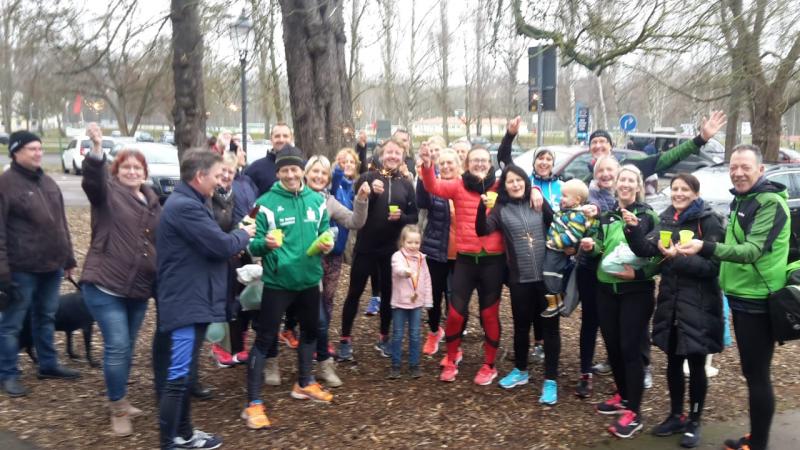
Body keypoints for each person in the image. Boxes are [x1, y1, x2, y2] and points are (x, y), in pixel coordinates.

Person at [573, 112, 727, 398]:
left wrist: (700, 139)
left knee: (632, 331)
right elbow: (568, 203)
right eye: (594, 144)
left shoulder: (643, 205)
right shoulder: (586, 184)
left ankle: (636, 371)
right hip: (597, 268)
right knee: (597, 322)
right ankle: (595, 371)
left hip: (635, 278)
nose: (599, 148)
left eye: (603, 144)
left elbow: (666, 159)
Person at [678, 145, 790, 450]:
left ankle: (759, 444)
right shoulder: (743, 199)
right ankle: (756, 437)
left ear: (760, 170)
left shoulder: (769, 203)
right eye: (733, 167)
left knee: (758, 375)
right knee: (752, 372)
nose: (738, 173)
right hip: (742, 297)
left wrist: (705, 247)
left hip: (758, 300)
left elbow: (751, 251)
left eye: (745, 168)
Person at [156, 150, 255, 450]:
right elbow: (219, 244)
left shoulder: (191, 202)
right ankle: (169, 443)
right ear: (200, 176)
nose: (220, 181)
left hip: (192, 297)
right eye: (215, 175)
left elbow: (210, 244)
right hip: (185, 301)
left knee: (184, 374)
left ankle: (184, 434)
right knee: (178, 376)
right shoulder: (186, 206)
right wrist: (244, 234)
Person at [624, 173, 724, 448]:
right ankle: (676, 415)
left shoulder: (709, 221)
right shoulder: (667, 217)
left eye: (684, 189)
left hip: (699, 305)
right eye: (675, 189)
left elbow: (713, 267)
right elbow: (646, 248)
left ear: (695, 193)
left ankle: (694, 421)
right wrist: (633, 229)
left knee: (696, 363)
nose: (678, 193)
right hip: (671, 302)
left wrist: (677, 258)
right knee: (672, 361)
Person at [242, 146, 335, 430]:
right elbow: (248, 240)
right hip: (278, 282)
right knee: (264, 340)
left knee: (310, 332)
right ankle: (253, 403)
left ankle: (304, 382)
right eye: (285, 170)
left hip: (309, 280)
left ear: (302, 171)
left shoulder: (317, 200)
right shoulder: (263, 203)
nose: (291, 175)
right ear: (278, 172)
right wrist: (264, 244)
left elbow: (324, 229)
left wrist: (327, 241)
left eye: (295, 169)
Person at [79, 124, 161, 436]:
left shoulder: (153, 202)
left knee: (127, 347)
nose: (131, 171)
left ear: (145, 173)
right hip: (105, 285)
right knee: (116, 345)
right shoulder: (106, 194)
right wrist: (97, 149)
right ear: (116, 171)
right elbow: (92, 181)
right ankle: (117, 407)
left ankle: (120, 397)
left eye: (137, 167)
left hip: (138, 288)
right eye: (125, 167)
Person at [580, 163, 659, 439]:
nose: (625, 184)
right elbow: (601, 246)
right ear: (616, 184)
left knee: (630, 349)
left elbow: (658, 254)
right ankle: (623, 395)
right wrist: (592, 247)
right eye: (621, 179)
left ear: (638, 186)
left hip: (635, 291)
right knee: (613, 347)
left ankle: (634, 413)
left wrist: (638, 273)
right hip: (606, 289)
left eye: (630, 180)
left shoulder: (647, 215)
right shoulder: (608, 215)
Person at [0, 130, 80, 398]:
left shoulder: (48, 182)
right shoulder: (5, 185)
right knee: (12, 324)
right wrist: (3, 273)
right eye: (32, 149)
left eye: (40, 148)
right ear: (16, 152)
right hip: (21, 269)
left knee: (46, 317)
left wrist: (68, 258)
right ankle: (7, 373)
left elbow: (61, 224)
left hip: (51, 266)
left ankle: (48, 365)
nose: (38, 153)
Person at [419, 141, 505, 385]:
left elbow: (521, 184)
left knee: (489, 314)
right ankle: (451, 357)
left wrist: (535, 191)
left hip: (493, 261)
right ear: (467, 164)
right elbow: (432, 186)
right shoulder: (458, 185)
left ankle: (489, 365)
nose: (480, 164)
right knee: (456, 314)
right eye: (475, 160)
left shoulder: (499, 186)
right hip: (466, 259)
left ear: (490, 164)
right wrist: (427, 165)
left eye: (484, 160)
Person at [475, 164, 561, 404]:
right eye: (510, 181)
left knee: (551, 329)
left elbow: (558, 225)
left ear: (526, 181)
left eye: (519, 180)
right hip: (520, 280)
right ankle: (521, 370)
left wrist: (538, 191)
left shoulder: (538, 202)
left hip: (549, 278)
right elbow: (482, 230)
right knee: (521, 327)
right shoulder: (500, 209)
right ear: (504, 186)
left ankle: (550, 380)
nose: (515, 184)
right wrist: (481, 208)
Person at [336, 137, 418, 362]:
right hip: (366, 246)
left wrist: (402, 217)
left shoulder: (406, 183)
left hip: (391, 249)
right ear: (381, 155)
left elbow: (414, 215)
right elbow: (357, 206)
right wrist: (370, 193)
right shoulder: (368, 177)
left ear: (402, 157)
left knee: (389, 294)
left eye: (397, 153)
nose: (393, 156)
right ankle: (345, 340)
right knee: (354, 292)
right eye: (389, 152)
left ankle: (384, 338)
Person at [302, 154, 370, 387]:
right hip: (292, 266)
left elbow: (355, 222)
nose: (319, 176)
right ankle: (271, 360)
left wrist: (361, 200)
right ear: (306, 174)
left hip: (318, 264)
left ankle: (322, 365)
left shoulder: (328, 201)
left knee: (320, 316)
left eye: (324, 173)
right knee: (279, 317)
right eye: (315, 171)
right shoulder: (295, 197)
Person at [581, 111, 727, 184]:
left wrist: (700, 139)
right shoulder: (586, 179)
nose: (598, 145)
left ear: (611, 146)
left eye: (602, 141)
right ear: (589, 148)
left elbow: (669, 157)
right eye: (594, 142)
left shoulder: (631, 166)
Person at [417, 147, 461, 355]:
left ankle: (455, 339)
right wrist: (423, 177)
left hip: (460, 255)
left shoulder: (465, 187)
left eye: (449, 162)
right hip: (436, 251)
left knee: (456, 300)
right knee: (433, 296)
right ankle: (434, 331)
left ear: (458, 165)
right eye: (442, 163)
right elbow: (422, 200)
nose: (446, 166)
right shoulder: (435, 187)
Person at [541, 179, 596, 317]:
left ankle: (557, 302)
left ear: (577, 200)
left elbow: (572, 236)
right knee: (549, 274)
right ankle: (555, 302)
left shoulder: (578, 216)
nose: (561, 198)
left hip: (557, 250)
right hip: (556, 249)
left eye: (565, 196)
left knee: (550, 275)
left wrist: (553, 242)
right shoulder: (566, 212)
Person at [387, 225, 432, 379]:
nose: (413, 246)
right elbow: (397, 269)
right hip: (400, 303)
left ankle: (414, 365)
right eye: (410, 242)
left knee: (415, 335)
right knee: (398, 335)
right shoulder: (397, 256)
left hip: (416, 304)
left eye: (416, 242)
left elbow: (426, 280)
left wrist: (428, 300)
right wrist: (406, 272)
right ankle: (395, 365)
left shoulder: (422, 259)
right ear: (403, 242)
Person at [245, 122, 293, 195]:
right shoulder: (255, 169)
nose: (281, 140)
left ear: (291, 138)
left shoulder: (303, 166)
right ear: (271, 139)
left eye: (285, 136)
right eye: (277, 136)